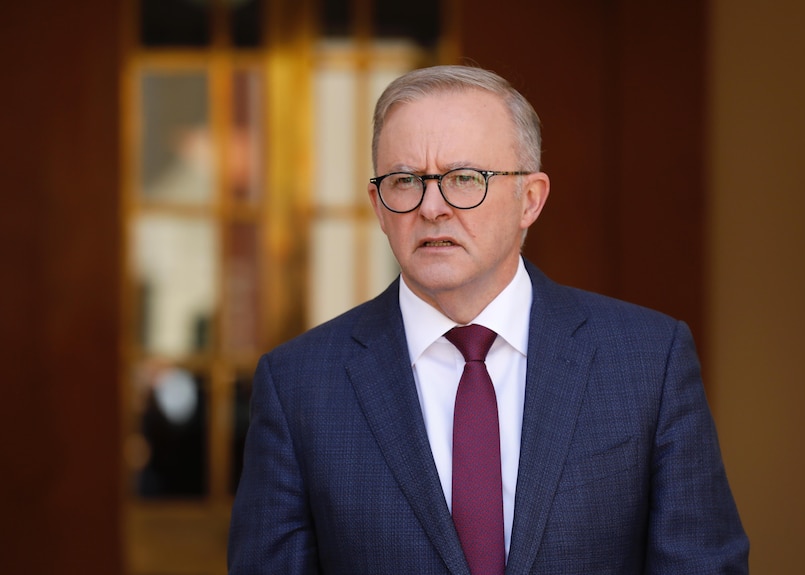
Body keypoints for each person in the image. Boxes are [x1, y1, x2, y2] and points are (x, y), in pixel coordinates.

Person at [228, 64, 749, 574]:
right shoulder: (298, 385)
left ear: (530, 199)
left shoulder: (647, 361)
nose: (432, 207)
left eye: (464, 178)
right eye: (406, 180)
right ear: (379, 206)